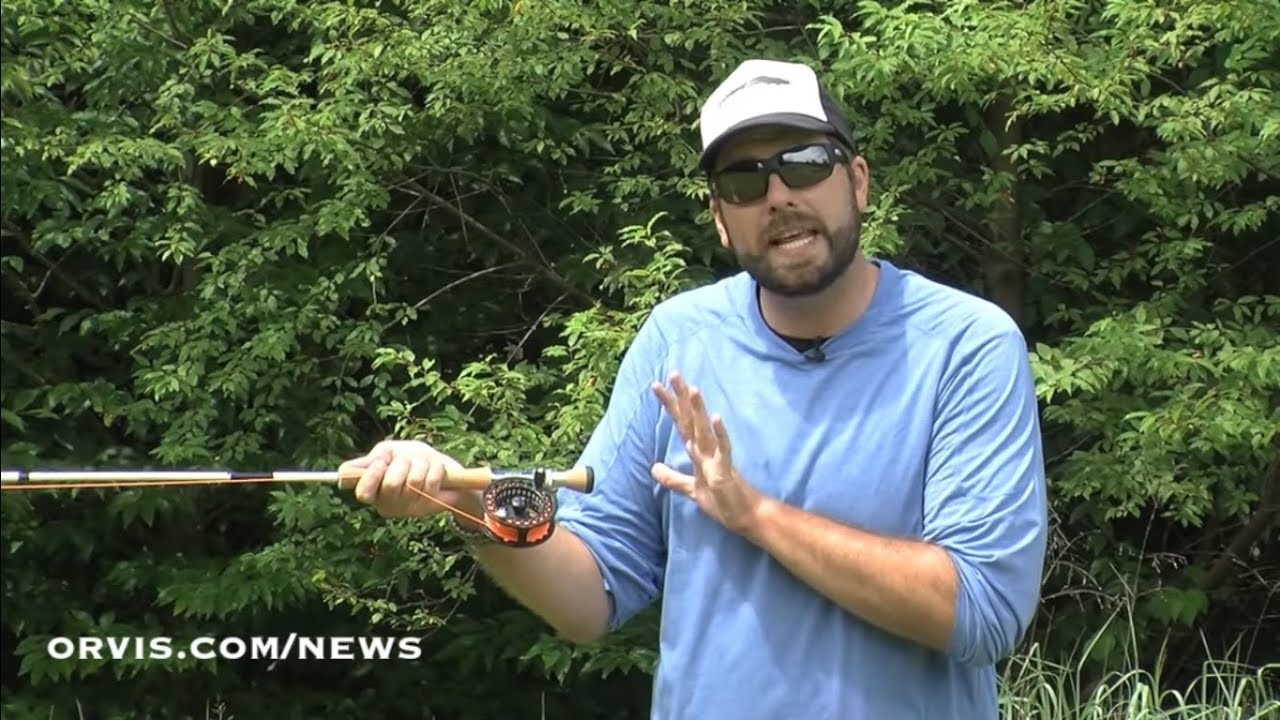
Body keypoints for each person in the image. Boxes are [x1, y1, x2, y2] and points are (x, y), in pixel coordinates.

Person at [341, 58, 1049, 719]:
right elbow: (593, 598)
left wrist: (756, 516)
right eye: (744, 181)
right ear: (719, 218)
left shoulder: (966, 345)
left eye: (803, 163)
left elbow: (983, 612)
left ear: (857, 180)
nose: (778, 196)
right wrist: (471, 505)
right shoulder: (679, 340)